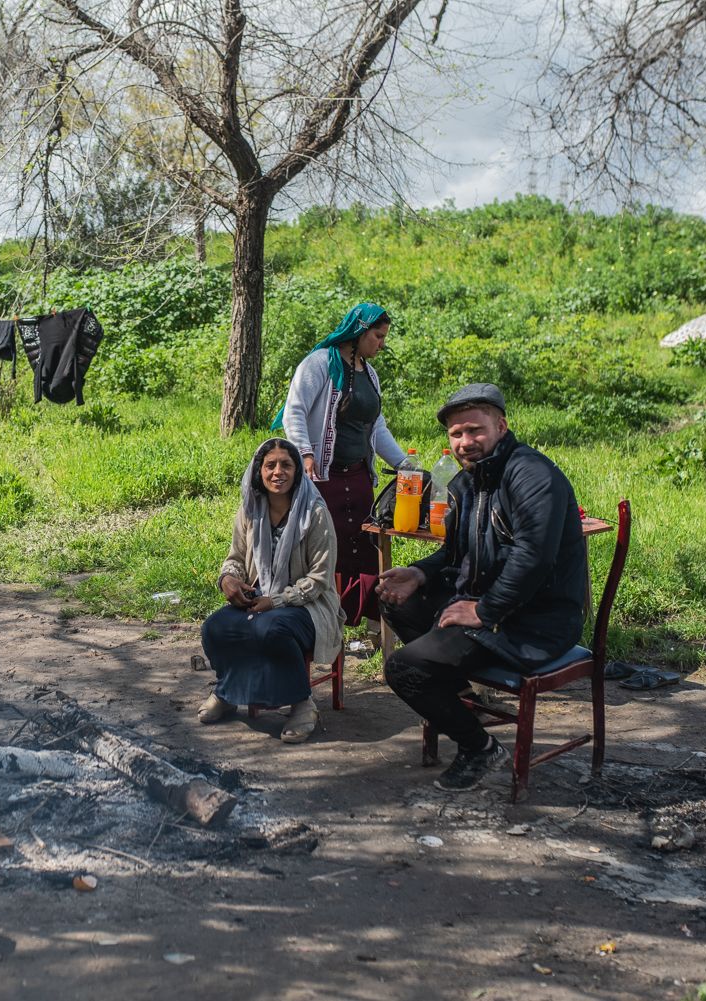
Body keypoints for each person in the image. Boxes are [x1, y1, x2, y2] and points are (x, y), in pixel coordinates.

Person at [376, 384, 588, 792]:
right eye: (456, 434)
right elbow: (455, 554)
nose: (465, 442)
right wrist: (418, 573)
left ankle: (479, 748)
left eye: (475, 430)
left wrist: (483, 611)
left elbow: (533, 558)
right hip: (486, 605)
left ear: (501, 427)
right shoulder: (468, 483)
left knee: (404, 668)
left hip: (534, 622)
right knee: (396, 601)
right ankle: (463, 700)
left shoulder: (531, 475)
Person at [198, 437, 341, 743]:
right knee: (215, 627)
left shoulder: (314, 513)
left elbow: (319, 579)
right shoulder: (251, 508)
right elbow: (236, 558)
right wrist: (228, 579)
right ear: (258, 471)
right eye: (270, 465)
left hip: (307, 604)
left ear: (297, 471)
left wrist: (275, 600)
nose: (278, 472)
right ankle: (227, 692)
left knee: (271, 630)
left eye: (286, 465)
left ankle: (302, 704)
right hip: (258, 598)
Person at [278, 302, 407, 620]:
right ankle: (323, 616)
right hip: (324, 477)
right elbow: (295, 411)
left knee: (364, 545)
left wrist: (405, 465)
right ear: (360, 332)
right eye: (378, 336)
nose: (381, 344)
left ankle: (366, 619)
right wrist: (306, 454)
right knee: (326, 546)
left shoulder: (370, 375)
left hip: (359, 476)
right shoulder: (320, 364)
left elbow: (376, 428)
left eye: (384, 337)